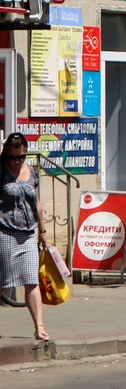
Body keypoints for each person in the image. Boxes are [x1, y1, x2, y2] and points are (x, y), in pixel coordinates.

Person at [0, 132, 50, 340]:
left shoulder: (32, 171)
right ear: (6, 155)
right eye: (13, 157)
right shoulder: (1, 171)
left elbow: (36, 203)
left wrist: (43, 232)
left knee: (32, 280)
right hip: (5, 232)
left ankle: (39, 327)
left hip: (28, 233)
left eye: (21, 156)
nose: (17, 161)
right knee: (2, 281)